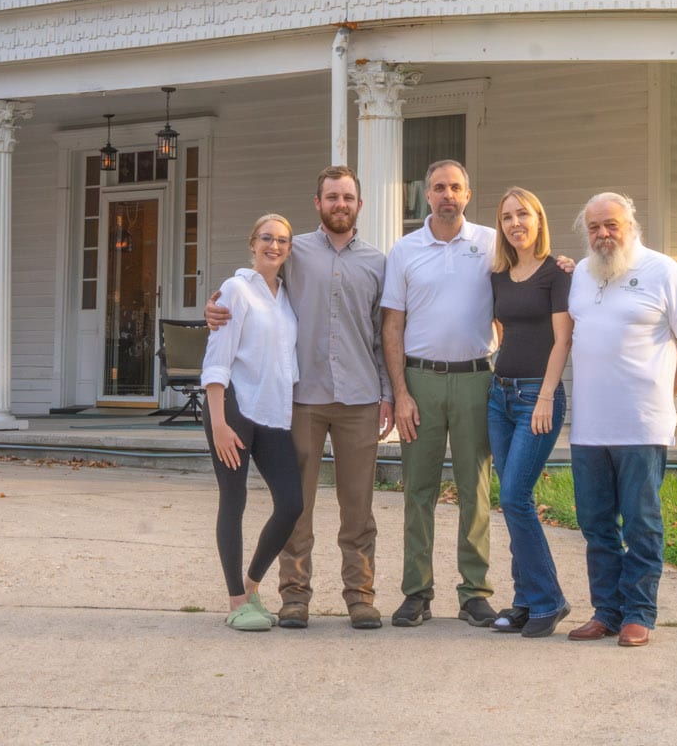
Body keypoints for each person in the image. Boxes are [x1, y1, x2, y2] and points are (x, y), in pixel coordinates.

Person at [206, 166, 393, 630]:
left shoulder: (377, 262)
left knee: (358, 506)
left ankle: (360, 595)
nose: (340, 204)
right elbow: (250, 284)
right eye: (331, 197)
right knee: (298, 507)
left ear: (359, 205)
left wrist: (388, 393)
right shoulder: (294, 251)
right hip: (303, 400)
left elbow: (382, 334)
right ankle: (294, 596)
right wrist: (213, 308)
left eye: (347, 197)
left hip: (359, 397)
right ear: (318, 203)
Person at [563, 192, 677, 649]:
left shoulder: (665, 272)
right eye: (594, 227)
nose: (603, 234)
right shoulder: (582, 274)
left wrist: (665, 392)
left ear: (631, 225)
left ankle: (639, 613)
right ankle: (606, 611)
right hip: (588, 427)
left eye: (611, 225)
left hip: (641, 425)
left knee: (641, 521)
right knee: (595, 522)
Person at [382, 159, 500, 628]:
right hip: (421, 382)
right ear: (425, 195)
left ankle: (475, 593)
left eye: (455, 187)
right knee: (419, 491)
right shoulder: (405, 250)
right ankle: (417, 592)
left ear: (467, 194)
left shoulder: (492, 243)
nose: (447, 194)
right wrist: (401, 392)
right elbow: (392, 325)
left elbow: (525, 282)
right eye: (438, 188)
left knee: (476, 490)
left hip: (476, 378)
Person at [201, 213, 304, 632]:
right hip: (234, 411)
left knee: (291, 503)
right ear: (252, 243)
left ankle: (252, 585)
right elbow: (217, 360)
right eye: (266, 238)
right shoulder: (235, 290)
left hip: (273, 414)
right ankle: (235, 601)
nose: (274, 246)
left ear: (289, 249)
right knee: (235, 500)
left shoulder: (286, 295)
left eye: (281, 240)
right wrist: (219, 423)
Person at [484, 187, 573, 637]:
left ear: (538, 219)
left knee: (514, 497)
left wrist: (546, 396)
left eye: (523, 214)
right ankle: (524, 600)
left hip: (537, 396)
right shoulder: (499, 274)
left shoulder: (558, 272)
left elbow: (563, 339)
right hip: (499, 396)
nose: (515, 223)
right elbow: (503, 328)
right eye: (506, 217)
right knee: (512, 500)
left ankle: (549, 600)